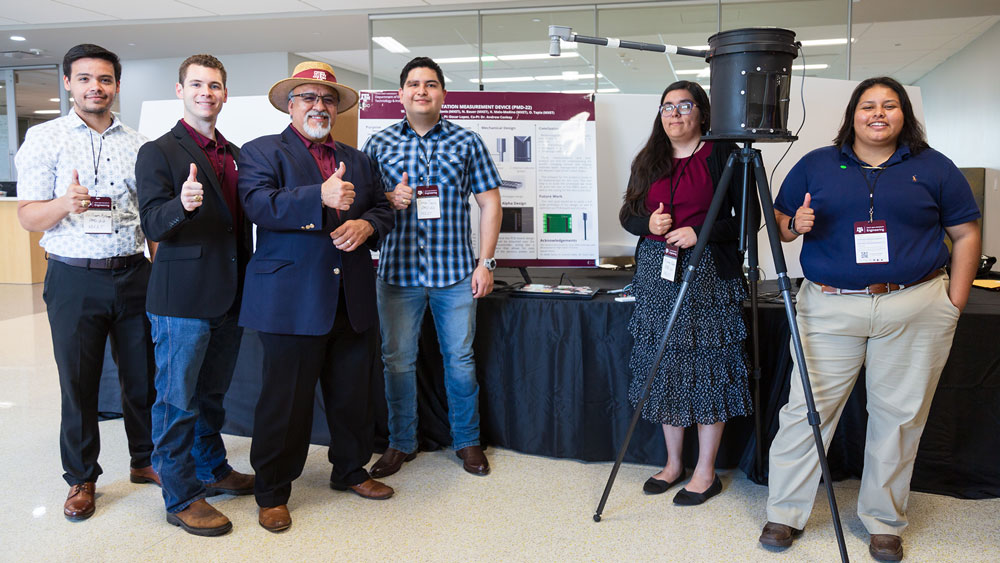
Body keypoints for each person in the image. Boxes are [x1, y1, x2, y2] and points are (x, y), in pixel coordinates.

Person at [759, 77, 981, 562]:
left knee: (898, 420)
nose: (878, 114)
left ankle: (883, 522)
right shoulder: (817, 163)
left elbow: (966, 233)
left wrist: (952, 304)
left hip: (914, 305)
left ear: (904, 115)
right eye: (868, 106)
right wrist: (793, 225)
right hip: (829, 305)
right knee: (805, 412)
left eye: (889, 105)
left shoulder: (934, 167)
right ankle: (784, 512)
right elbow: (778, 222)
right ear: (852, 114)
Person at [237, 61, 395, 533]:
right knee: (285, 402)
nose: (318, 105)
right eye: (308, 97)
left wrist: (369, 224)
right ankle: (272, 491)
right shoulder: (262, 151)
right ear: (290, 105)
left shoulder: (360, 158)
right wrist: (318, 197)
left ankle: (349, 471)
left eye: (327, 99)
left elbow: (383, 209)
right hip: (290, 297)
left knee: (352, 395)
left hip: (352, 295)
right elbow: (256, 205)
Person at [15, 44, 159, 522]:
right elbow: (29, 217)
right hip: (75, 277)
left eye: (104, 79)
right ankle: (81, 478)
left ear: (116, 85)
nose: (94, 87)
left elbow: (151, 218)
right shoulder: (43, 138)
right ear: (68, 83)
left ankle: (145, 459)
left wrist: (158, 271)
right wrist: (64, 204)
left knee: (142, 377)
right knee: (79, 383)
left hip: (133, 273)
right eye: (84, 78)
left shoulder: (139, 144)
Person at [363, 56, 502, 478]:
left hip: (456, 274)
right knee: (397, 361)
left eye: (430, 84)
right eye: (413, 84)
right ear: (400, 93)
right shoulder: (378, 144)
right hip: (397, 275)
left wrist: (486, 263)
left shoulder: (467, 141)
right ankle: (401, 443)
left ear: (443, 93)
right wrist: (387, 200)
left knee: (459, 360)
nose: (421, 90)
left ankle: (468, 441)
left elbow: (490, 202)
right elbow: (362, 207)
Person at [619, 80, 754, 505]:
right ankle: (674, 463)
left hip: (709, 278)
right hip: (657, 278)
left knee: (707, 368)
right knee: (665, 369)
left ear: (702, 112)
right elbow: (628, 214)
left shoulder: (726, 156)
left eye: (684, 105)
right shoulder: (649, 159)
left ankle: (705, 471)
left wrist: (701, 232)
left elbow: (749, 221)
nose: (674, 114)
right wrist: (649, 226)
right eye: (666, 107)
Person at [136, 54, 255, 537]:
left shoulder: (237, 153)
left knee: (211, 394)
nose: (207, 92)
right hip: (180, 299)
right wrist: (180, 207)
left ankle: (211, 468)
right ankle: (181, 494)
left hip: (229, 294)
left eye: (216, 85)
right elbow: (151, 221)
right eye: (198, 84)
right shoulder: (158, 151)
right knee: (177, 399)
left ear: (225, 94)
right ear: (180, 90)